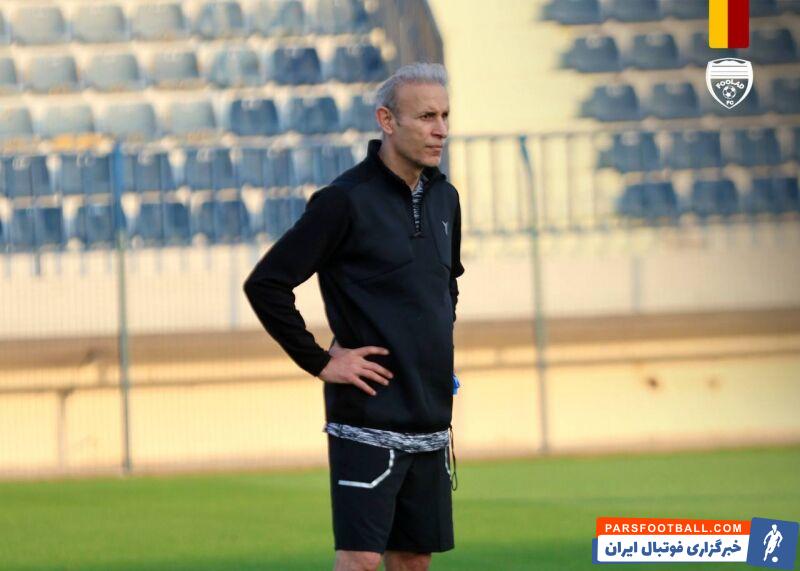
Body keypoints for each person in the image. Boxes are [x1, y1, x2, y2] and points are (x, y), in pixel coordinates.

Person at [243, 62, 465, 571]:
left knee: (413, 560)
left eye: (445, 116)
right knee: (361, 560)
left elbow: (446, 285)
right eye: (426, 117)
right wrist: (321, 361)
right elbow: (267, 283)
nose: (441, 130)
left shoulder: (446, 199)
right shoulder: (343, 201)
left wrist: (433, 353)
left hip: (431, 418)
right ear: (387, 121)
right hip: (367, 420)